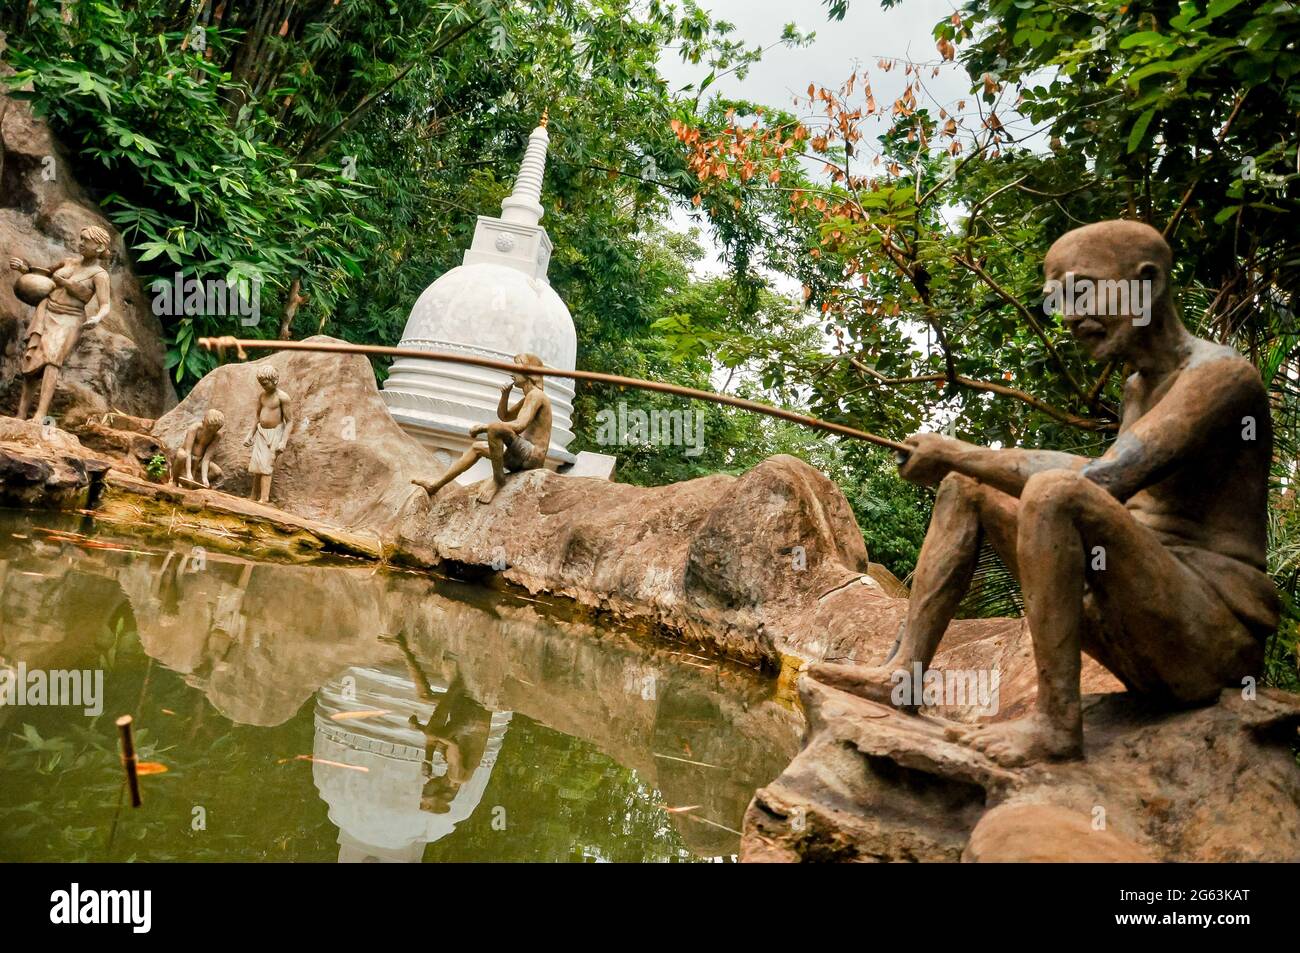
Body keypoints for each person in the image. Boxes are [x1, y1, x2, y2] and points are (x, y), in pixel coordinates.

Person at [809, 219, 1278, 767]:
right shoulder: (1137, 387)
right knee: (968, 486)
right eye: (1060, 300)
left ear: (1147, 283)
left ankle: (1056, 726)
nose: (1071, 317)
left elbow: (1100, 482)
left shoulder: (1222, 378)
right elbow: (1103, 473)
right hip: (1142, 623)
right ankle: (903, 676)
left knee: (1052, 494)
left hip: (1207, 640)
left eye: (1082, 291)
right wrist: (961, 459)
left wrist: (959, 450)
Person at [413, 352, 553, 504]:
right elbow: (505, 417)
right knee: (477, 448)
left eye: (516, 367)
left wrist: (484, 428)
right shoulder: (528, 397)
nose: (511, 372)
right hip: (519, 455)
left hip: (531, 456)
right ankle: (435, 485)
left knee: (494, 428)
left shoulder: (537, 395)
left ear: (529, 373)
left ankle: (498, 480)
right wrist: (505, 396)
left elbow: (519, 426)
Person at [8, 226, 113, 422]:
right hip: (47, 310)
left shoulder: (100, 275)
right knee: (32, 360)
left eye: (85, 241)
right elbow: (44, 275)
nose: (80, 243)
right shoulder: (68, 261)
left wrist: (97, 318)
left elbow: (105, 304)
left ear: (99, 248)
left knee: (52, 361)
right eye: (80, 239)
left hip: (70, 318)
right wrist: (24, 269)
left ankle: (40, 414)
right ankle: (21, 413)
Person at [243, 365, 293, 504]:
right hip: (261, 432)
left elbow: (289, 421)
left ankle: (264, 498)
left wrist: (283, 441)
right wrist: (250, 434)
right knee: (257, 465)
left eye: (265, 383)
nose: (263, 386)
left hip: (275, 433)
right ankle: (254, 495)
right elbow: (257, 417)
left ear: (275, 380)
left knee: (266, 465)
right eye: (261, 384)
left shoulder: (283, 398)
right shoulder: (262, 396)